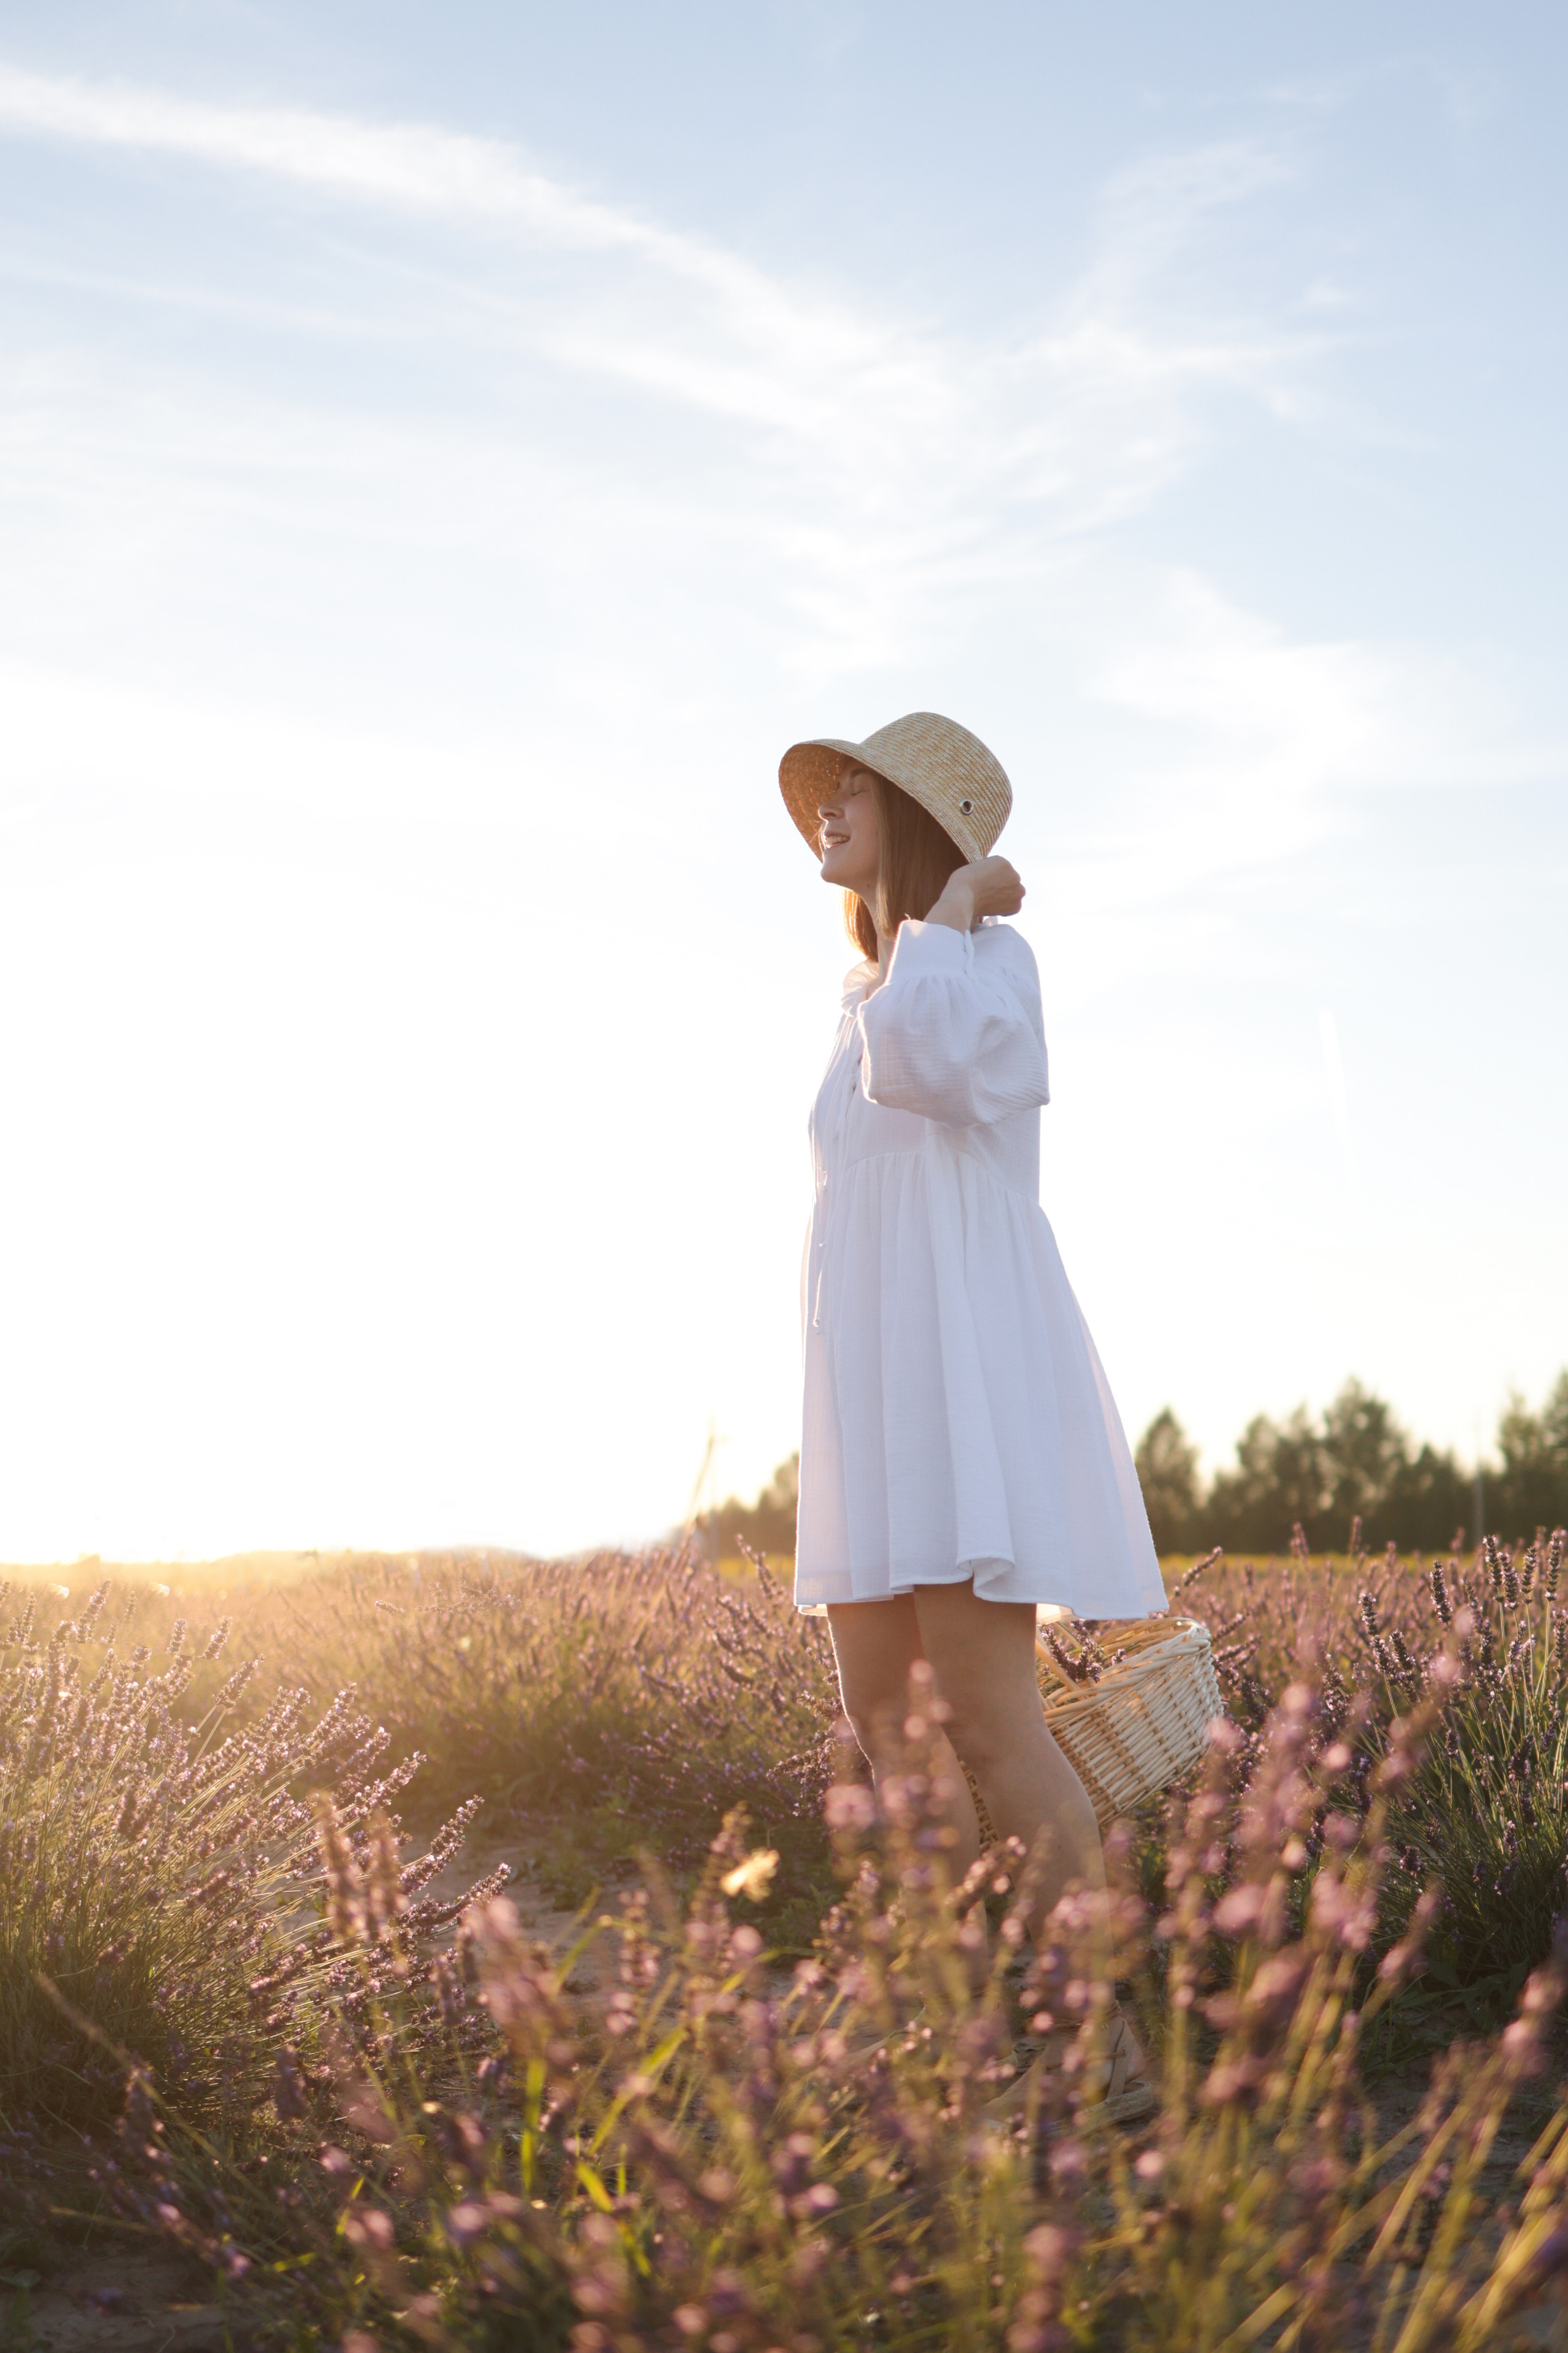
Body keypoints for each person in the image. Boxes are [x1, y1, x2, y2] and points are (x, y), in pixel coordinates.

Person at [778, 710, 1164, 2124]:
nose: (825, 806)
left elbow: (931, 1073)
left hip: (956, 1380)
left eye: (853, 790)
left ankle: (1100, 2047)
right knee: (884, 1725)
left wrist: (943, 913)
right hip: (874, 1389)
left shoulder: (986, 964)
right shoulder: (860, 1000)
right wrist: (913, 936)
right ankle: (950, 2037)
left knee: (994, 1728)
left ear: (922, 820)